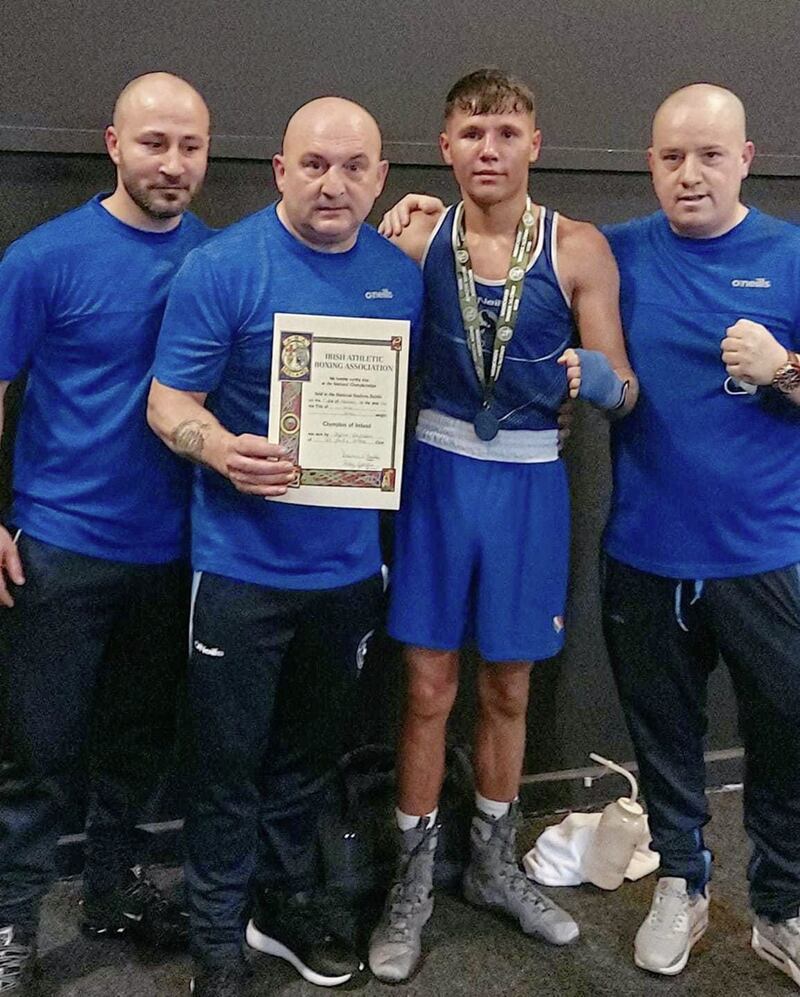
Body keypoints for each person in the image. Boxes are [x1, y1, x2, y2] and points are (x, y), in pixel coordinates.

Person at [147, 96, 424, 997]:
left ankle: (279, 904)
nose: (332, 182)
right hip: (239, 569)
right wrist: (219, 448)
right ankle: (218, 935)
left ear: (381, 177)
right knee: (226, 765)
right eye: (313, 163)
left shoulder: (400, 274)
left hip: (347, 570)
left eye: (353, 166)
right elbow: (167, 401)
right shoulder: (222, 266)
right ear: (279, 168)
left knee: (307, 761)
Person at [367, 68, 638, 983]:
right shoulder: (414, 238)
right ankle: (412, 880)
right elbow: (348, 322)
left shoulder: (579, 248)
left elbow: (625, 384)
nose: (490, 149)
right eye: (473, 133)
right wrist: (375, 238)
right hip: (438, 474)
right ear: (445, 147)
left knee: (510, 688)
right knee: (428, 688)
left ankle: (489, 863)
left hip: (529, 483)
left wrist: (589, 378)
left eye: (507, 133)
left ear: (534, 144)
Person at [0, 72, 212, 993]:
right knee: (35, 761)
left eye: (190, 146)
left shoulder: (221, 257)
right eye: (154, 142)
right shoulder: (42, 259)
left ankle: (113, 890)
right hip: (58, 549)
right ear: (112, 143)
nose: (172, 162)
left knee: (137, 746)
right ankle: (10, 929)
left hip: (177, 553)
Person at [600, 83, 800, 983]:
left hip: (765, 554)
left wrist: (786, 366)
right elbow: (504, 265)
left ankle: (783, 905)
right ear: (650, 162)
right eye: (672, 156)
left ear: (746, 160)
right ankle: (682, 881)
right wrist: (421, 224)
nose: (690, 174)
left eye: (710, 155)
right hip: (645, 553)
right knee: (666, 736)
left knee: (787, 735)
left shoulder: (792, 256)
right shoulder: (611, 255)